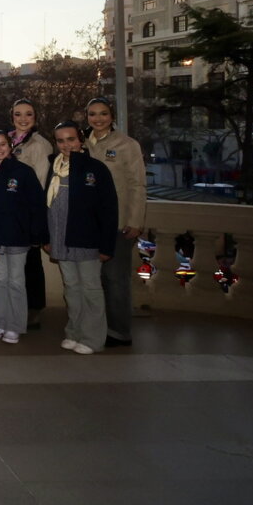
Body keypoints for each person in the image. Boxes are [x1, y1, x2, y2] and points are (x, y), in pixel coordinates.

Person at [43, 121, 118, 355]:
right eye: (61, 140)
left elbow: (109, 209)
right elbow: (47, 206)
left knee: (91, 289)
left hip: (86, 240)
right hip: (60, 238)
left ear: (81, 140)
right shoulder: (53, 168)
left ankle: (93, 338)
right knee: (72, 288)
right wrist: (47, 237)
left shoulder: (96, 169)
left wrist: (107, 245)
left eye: (71, 139)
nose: (67, 145)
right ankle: (74, 332)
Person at [84, 97, 147, 348]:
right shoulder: (83, 143)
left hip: (119, 223)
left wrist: (135, 220)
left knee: (115, 278)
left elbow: (137, 184)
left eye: (103, 114)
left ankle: (120, 331)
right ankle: (97, 326)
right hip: (90, 224)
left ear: (112, 116)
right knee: (93, 279)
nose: (98, 119)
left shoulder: (127, 145)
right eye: (92, 114)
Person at [0, 129, 47, 345]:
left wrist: (36, 234)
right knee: (0, 281)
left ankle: (15, 326)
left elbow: (37, 205)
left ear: (10, 145)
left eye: (2, 144)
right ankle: (0, 322)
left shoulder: (23, 172)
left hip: (19, 237)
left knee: (16, 282)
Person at [9, 98, 53, 329]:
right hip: (10, 213)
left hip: (27, 212)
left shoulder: (40, 144)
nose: (23, 119)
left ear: (35, 118)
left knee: (31, 264)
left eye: (28, 114)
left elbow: (42, 183)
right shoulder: (7, 140)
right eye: (18, 114)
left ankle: (33, 309)